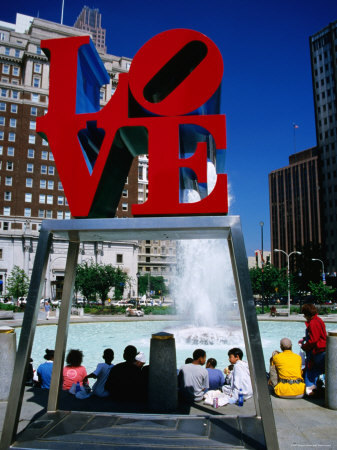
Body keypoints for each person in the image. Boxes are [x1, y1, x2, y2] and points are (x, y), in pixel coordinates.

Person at [300, 303, 327, 395]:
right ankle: (317, 388)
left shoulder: (313, 322)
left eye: (304, 314)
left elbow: (313, 340)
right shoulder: (318, 320)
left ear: (307, 314)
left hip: (318, 351)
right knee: (319, 370)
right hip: (322, 350)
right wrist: (305, 339)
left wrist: (304, 346)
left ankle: (310, 390)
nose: (304, 316)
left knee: (310, 369)